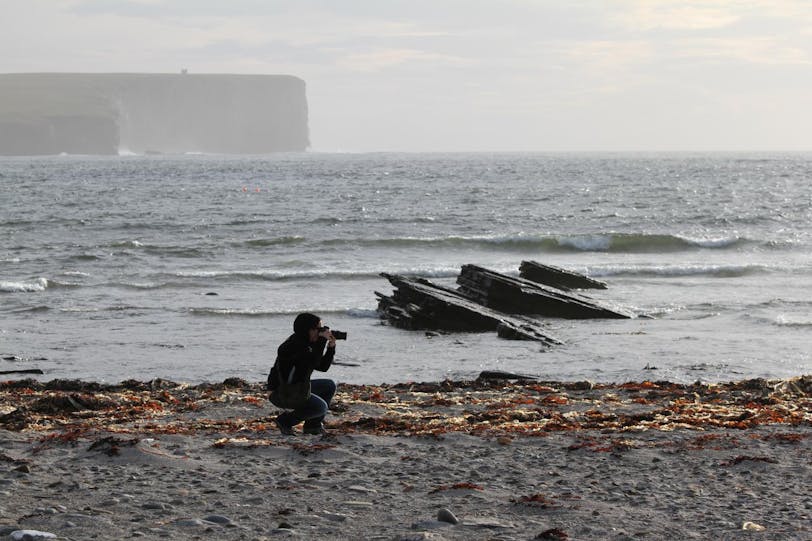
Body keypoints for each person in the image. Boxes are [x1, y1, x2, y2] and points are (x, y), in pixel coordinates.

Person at [268, 312, 337, 435]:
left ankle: (313, 426)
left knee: (329, 385)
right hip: (281, 392)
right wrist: (321, 340)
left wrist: (331, 348)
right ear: (308, 330)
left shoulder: (307, 344)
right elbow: (313, 360)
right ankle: (285, 421)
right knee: (320, 407)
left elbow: (322, 367)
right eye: (318, 329)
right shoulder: (292, 345)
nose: (320, 332)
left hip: (297, 387)